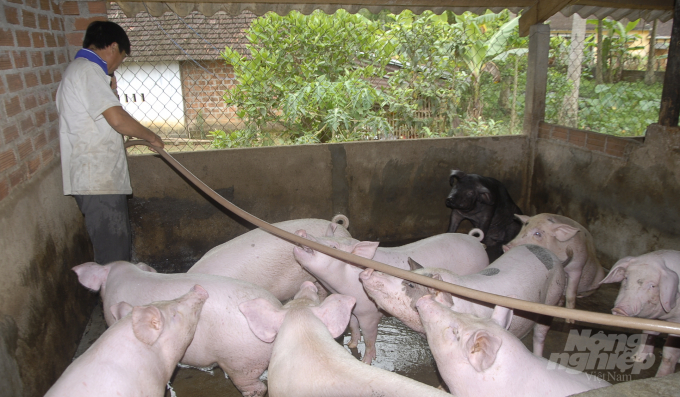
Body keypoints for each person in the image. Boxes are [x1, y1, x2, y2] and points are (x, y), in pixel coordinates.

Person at [57, 21, 164, 264]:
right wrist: (152, 137)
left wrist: (112, 90)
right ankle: (114, 301)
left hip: (99, 179)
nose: (118, 64)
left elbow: (106, 117)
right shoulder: (87, 71)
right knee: (114, 260)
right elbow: (117, 119)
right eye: (122, 58)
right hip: (98, 181)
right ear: (113, 47)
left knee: (115, 253)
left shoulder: (85, 72)